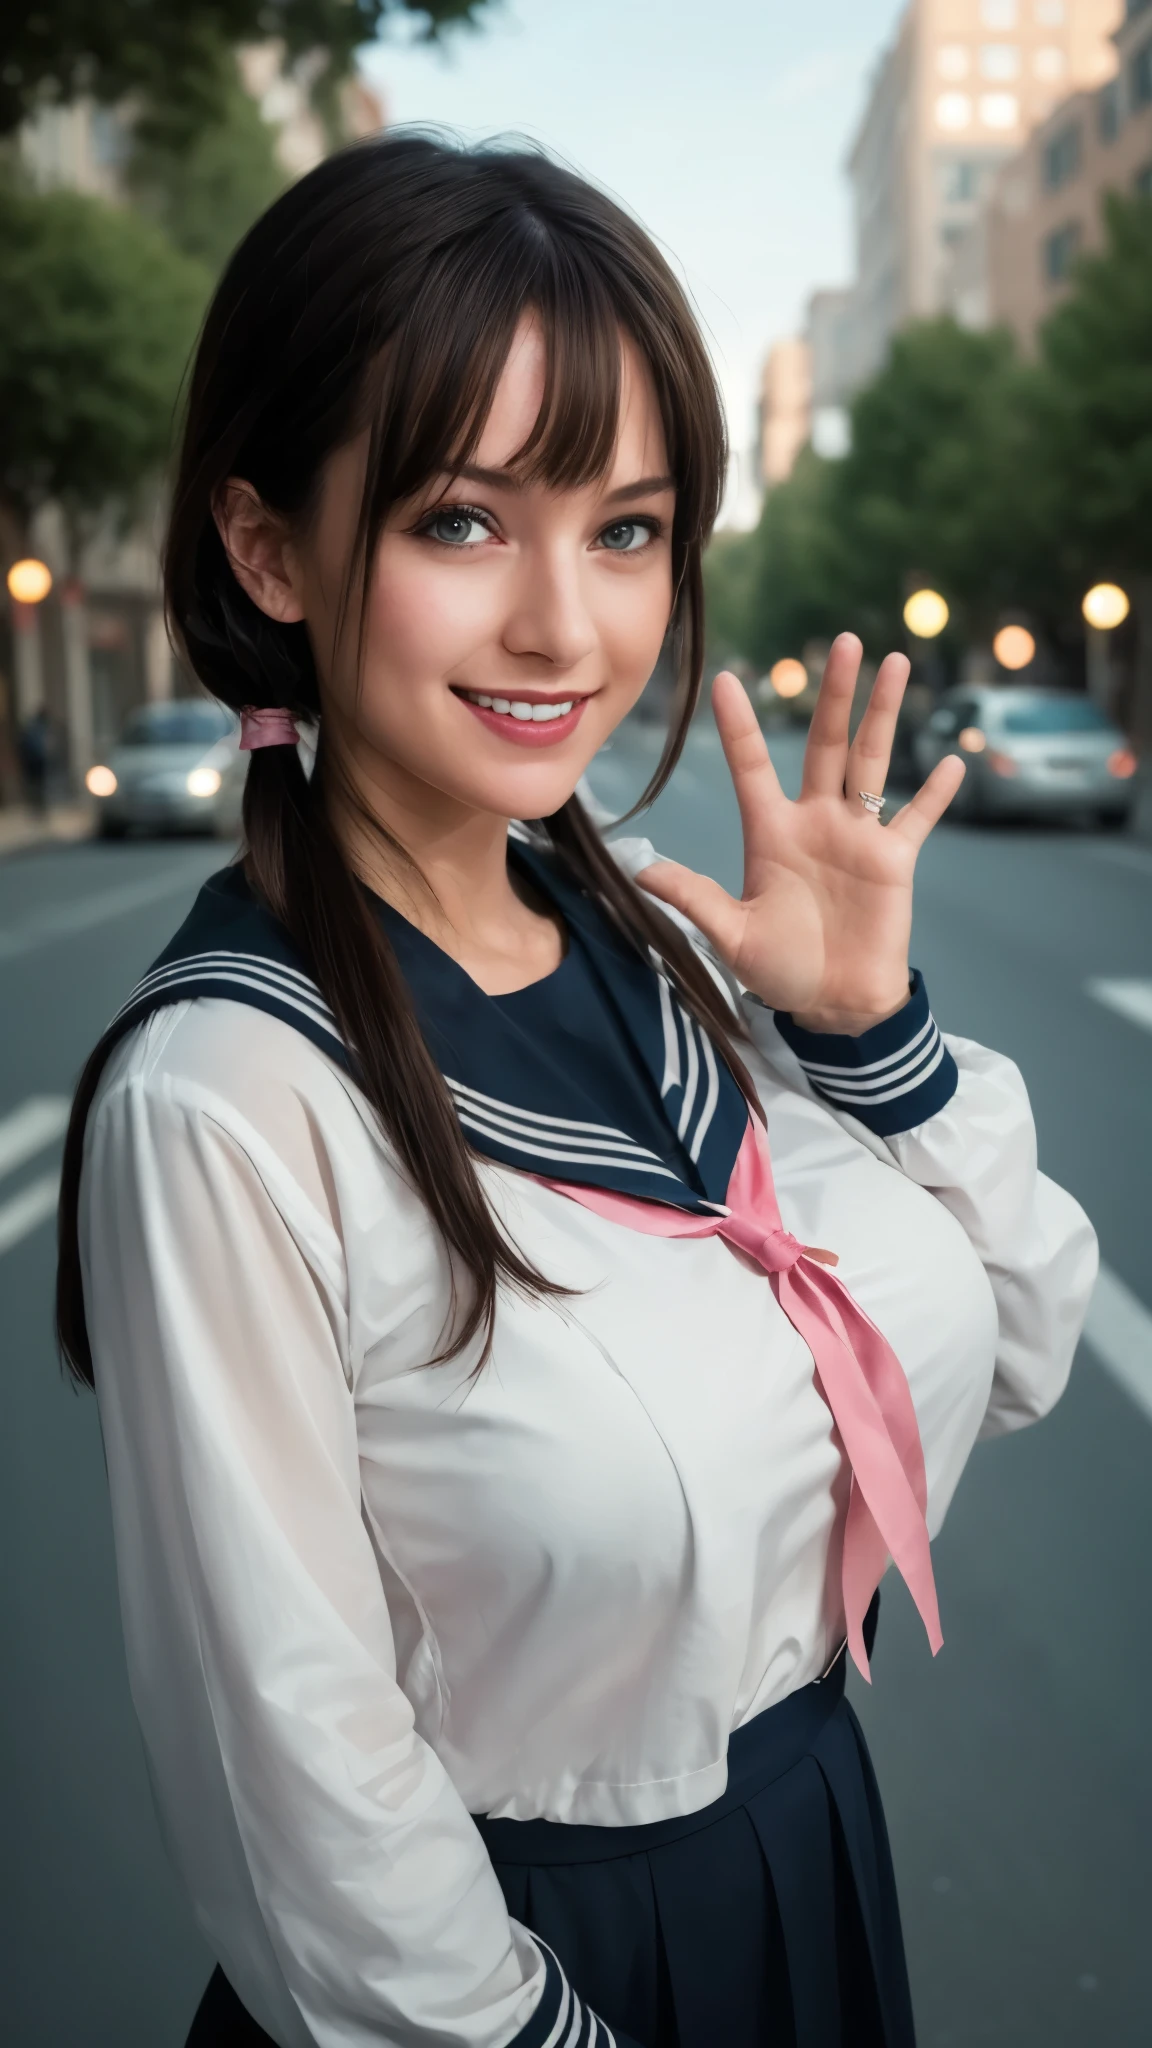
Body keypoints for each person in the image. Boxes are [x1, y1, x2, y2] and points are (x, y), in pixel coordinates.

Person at [56, 135, 1096, 2048]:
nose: (568, 626)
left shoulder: (684, 963)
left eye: (626, 529)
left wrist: (880, 1037)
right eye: (463, 520)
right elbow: (299, 1782)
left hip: (808, 1883)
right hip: (515, 1985)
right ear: (268, 545)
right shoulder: (230, 1098)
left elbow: (1023, 1341)